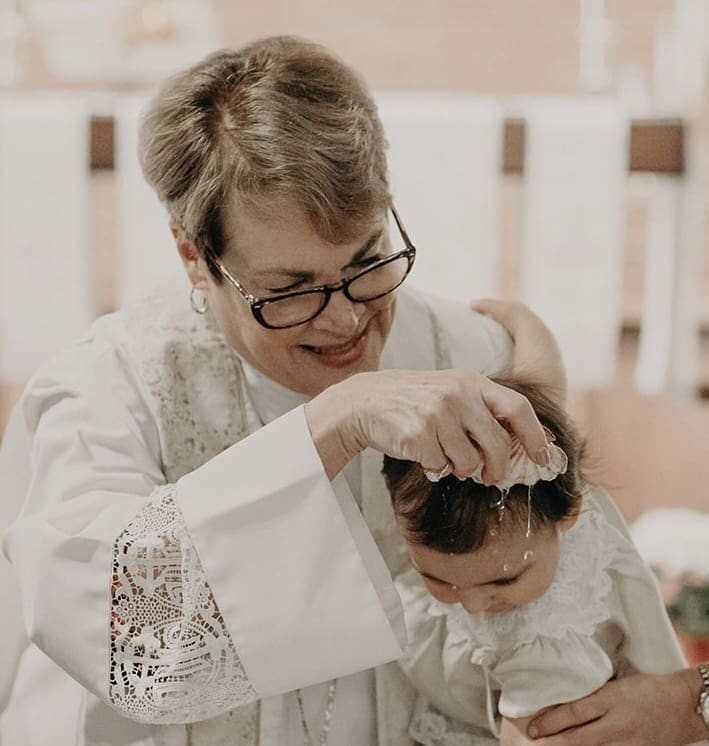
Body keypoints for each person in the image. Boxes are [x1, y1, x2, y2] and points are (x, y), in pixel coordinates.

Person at [0, 34, 701, 746]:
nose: (344, 319)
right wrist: (331, 424)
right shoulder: (106, 392)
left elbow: (599, 600)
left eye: (366, 261)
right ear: (193, 254)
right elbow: (124, 647)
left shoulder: (472, 353)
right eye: (289, 289)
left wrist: (678, 703)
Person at [382, 376, 688, 745]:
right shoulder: (519, 545)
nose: (474, 604)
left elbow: (538, 736)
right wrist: (515, 318)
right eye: (437, 579)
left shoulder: (543, 632)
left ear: (570, 513)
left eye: (503, 582)